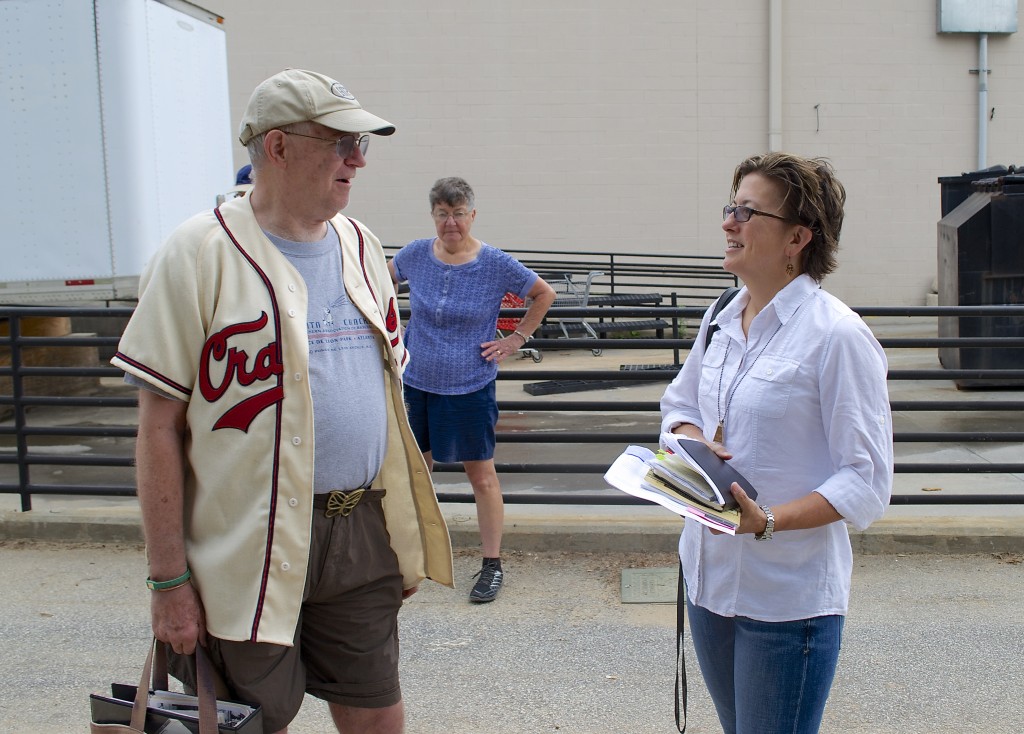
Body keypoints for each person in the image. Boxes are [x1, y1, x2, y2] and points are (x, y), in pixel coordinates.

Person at [112, 68, 454, 734]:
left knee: (377, 710)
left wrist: (397, 535)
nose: (357, 159)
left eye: (362, 144)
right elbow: (157, 428)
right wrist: (167, 580)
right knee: (245, 720)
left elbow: (383, 399)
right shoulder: (197, 252)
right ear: (277, 147)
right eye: (340, 141)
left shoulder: (361, 245)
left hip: (359, 528)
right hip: (245, 539)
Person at [660, 152, 893, 734]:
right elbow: (680, 406)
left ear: (797, 238)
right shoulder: (720, 315)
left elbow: (865, 480)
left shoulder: (837, 336)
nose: (728, 222)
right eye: (730, 207)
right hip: (709, 582)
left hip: (787, 602)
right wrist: (691, 446)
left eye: (747, 211)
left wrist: (765, 521)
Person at [388, 177, 556, 603]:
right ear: (433, 216)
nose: (451, 223)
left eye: (458, 213)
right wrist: (387, 327)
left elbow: (543, 294)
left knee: (480, 476)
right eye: (443, 214)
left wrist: (515, 339)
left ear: (472, 215)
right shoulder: (414, 254)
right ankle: (412, 555)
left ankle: (491, 564)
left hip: (469, 385)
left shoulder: (494, 263)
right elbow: (375, 281)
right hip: (417, 382)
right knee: (416, 471)